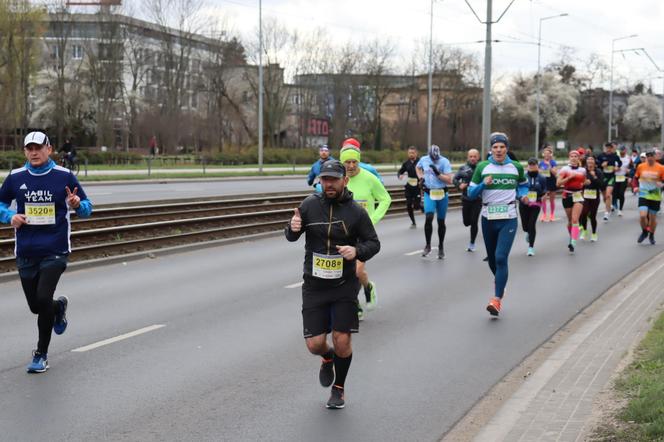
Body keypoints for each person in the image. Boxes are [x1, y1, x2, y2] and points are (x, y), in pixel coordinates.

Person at [285, 160, 380, 409]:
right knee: (315, 344)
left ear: (344, 181)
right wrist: (292, 228)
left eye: (333, 180)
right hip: (314, 286)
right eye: (324, 179)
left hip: (343, 286)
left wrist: (356, 250)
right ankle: (327, 358)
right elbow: (291, 235)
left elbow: (373, 243)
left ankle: (339, 388)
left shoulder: (356, 212)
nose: (328, 184)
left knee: (342, 340)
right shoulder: (309, 205)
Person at [0, 131, 93, 373]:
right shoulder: (16, 177)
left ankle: (41, 354)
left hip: (55, 249)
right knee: (36, 306)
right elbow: (0, 204)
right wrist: (10, 216)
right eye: (29, 148)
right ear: (24, 152)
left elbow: (87, 208)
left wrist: (76, 204)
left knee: (42, 299)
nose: (34, 152)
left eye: (38, 148)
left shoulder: (63, 176)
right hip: (26, 251)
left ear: (49, 150)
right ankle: (58, 307)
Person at [468, 132, 527, 316]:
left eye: (502, 147)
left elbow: (523, 185)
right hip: (488, 218)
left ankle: (496, 299)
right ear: (491, 149)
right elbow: (470, 194)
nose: (499, 150)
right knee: (492, 260)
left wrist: (523, 194)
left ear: (507, 148)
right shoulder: (482, 167)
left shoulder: (516, 167)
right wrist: (483, 185)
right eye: (495, 147)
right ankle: (500, 284)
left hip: (508, 217)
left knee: (501, 257)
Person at [340, 145, 391, 318]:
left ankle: (358, 301)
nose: (352, 165)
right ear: (342, 163)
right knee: (346, 272)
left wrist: (372, 219)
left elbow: (385, 199)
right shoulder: (338, 179)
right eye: (348, 162)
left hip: (363, 234)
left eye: (355, 161)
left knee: (356, 270)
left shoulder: (369, 178)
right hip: (343, 233)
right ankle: (366, 290)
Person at [416, 144, 454, 259]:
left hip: (442, 193)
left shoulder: (444, 161)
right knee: (429, 217)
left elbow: (449, 180)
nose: (434, 159)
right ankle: (428, 245)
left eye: (436, 158)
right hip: (429, 193)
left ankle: (441, 246)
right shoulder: (424, 159)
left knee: (441, 221)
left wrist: (438, 174)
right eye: (432, 157)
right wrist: (421, 177)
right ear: (429, 154)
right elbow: (417, 167)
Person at [557, 150, 587, 253]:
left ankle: (573, 241)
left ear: (578, 158)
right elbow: (558, 183)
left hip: (578, 195)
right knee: (570, 221)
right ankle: (572, 236)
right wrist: (569, 178)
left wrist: (585, 183)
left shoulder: (583, 170)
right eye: (572, 156)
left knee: (575, 220)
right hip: (567, 195)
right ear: (569, 158)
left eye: (576, 156)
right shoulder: (565, 169)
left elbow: (584, 181)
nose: (574, 158)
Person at [632, 149, 664, 245]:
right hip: (643, 194)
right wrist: (635, 187)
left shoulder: (661, 168)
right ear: (646, 157)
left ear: (655, 157)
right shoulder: (641, 166)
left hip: (655, 195)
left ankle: (652, 235)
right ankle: (645, 232)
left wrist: (661, 184)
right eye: (648, 156)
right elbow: (635, 178)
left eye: (651, 155)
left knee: (652, 218)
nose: (649, 157)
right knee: (642, 216)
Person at [454, 148, 482, 252]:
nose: (473, 158)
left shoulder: (481, 168)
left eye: (475, 156)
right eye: (471, 156)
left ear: (478, 157)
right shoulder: (463, 168)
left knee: (474, 222)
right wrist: (459, 185)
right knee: (466, 222)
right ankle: (469, 223)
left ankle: (472, 243)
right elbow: (454, 179)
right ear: (468, 157)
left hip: (477, 199)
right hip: (466, 199)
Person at [519, 158, 547, 256]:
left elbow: (545, 190)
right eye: (530, 165)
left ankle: (531, 247)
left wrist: (544, 196)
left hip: (536, 204)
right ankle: (527, 232)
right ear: (527, 166)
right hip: (524, 203)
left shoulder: (542, 178)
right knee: (525, 226)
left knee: (532, 225)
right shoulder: (523, 177)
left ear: (537, 166)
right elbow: (518, 190)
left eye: (534, 165)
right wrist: (521, 197)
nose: (532, 166)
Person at [579, 156, 605, 242]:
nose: (590, 161)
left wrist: (594, 177)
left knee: (593, 216)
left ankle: (594, 233)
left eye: (592, 159)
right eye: (588, 159)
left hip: (594, 196)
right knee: (583, 213)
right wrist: (583, 183)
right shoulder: (583, 171)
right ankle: (584, 231)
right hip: (585, 195)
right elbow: (578, 183)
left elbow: (601, 185)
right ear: (586, 162)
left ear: (594, 162)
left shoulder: (598, 172)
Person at [597, 142, 621, 221]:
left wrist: (617, 167)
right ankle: (609, 206)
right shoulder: (601, 156)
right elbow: (596, 165)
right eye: (607, 148)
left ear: (612, 148)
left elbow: (620, 163)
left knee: (608, 195)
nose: (608, 149)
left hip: (611, 177)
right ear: (605, 148)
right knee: (605, 197)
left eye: (610, 148)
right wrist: (601, 165)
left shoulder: (615, 156)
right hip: (603, 177)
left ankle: (606, 213)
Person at [397, 146, 421, 227]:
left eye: (413, 153)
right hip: (409, 187)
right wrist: (400, 175)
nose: (411, 154)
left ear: (416, 153)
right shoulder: (406, 163)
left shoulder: (420, 162)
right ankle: (413, 221)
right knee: (408, 204)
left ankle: (422, 206)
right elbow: (400, 171)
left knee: (416, 206)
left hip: (418, 186)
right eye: (409, 153)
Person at [538, 146, 558, 222]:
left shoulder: (553, 162)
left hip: (552, 182)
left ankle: (552, 214)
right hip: (544, 182)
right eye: (545, 153)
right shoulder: (541, 163)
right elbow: (539, 172)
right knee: (543, 199)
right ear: (543, 154)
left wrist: (549, 166)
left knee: (552, 200)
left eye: (548, 153)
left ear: (550, 155)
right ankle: (544, 214)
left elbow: (555, 173)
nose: (546, 155)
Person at [612, 145, 632, 216]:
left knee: (621, 193)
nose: (621, 152)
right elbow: (611, 166)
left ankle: (620, 209)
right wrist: (614, 168)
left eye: (623, 150)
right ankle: (614, 204)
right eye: (620, 150)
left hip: (623, 177)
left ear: (625, 150)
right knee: (614, 193)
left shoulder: (628, 158)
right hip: (615, 177)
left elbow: (632, 168)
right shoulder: (615, 157)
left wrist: (629, 172)